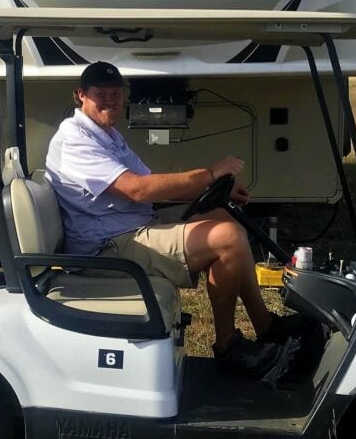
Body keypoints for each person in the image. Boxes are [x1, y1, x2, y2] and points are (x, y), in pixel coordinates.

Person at [45, 61, 296, 377]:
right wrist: (209, 173)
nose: (109, 100)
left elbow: (151, 185)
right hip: (106, 248)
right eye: (100, 93)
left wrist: (215, 189)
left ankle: (266, 325)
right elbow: (137, 190)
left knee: (223, 216)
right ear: (81, 95)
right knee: (227, 239)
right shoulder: (76, 140)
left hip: (126, 227)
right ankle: (227, 346)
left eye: (115, 93)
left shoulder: (105, 135)